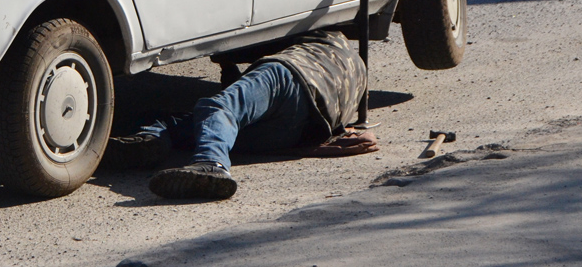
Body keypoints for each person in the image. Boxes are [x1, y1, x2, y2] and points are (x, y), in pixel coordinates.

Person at [106, 30, 379, 200]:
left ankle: (212, 163)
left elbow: (253, 37)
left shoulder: (316, 38)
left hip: (292, 77)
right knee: (211, 126)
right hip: (303, 129)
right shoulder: (356, 70)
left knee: (216, 107)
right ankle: (154, 139)